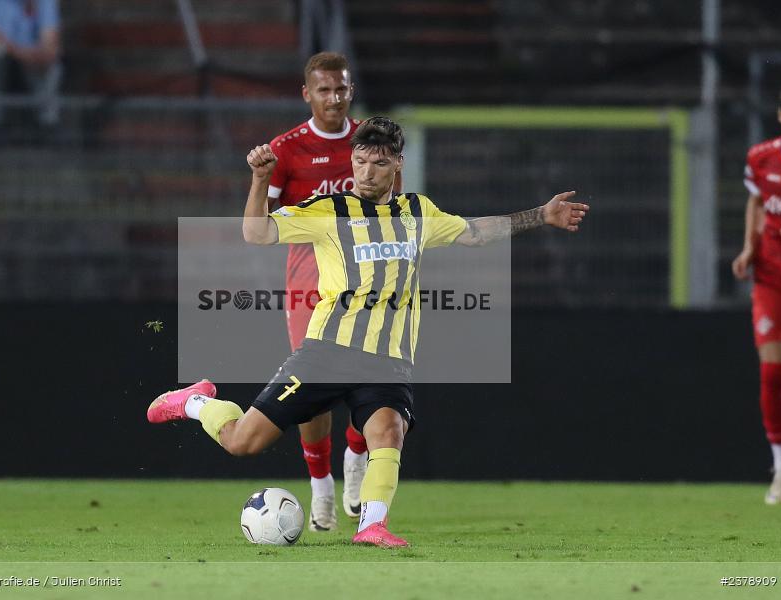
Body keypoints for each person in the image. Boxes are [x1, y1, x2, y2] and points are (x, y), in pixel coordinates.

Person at [147, 117, 588, 546]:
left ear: (397, 163)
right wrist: (261, 180)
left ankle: (372, 525)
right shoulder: (329, 210)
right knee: (243, 442)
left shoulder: (418, 212)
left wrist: (541, 214)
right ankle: (195, 402)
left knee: (388, 431)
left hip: (387, 360)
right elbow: (256, 232)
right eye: (359, 161)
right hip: (326, 353)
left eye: (378, 163)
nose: (366, 172)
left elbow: (475, 232)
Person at [265, 51, 376, 532]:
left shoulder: (372, 141)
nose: (333, 98)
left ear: (351, 91)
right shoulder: (286, 150)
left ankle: (356, 457)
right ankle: (321, 487)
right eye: (324, 90)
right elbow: (264, 222)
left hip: (368, 279)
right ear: (306, 93)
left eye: (341, 89)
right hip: (309, 282)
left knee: (373, 379)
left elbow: (394, 207)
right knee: (312, 387)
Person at [732, 81, 781, 505]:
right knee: (773, 375)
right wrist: (749, 248)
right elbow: (756, 203)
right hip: (773, 278)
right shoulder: (762, 157)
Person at [0, 0, 61, 130]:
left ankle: (47, 124)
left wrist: (44, 53)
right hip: (3, 55)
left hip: (32, 57)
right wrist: (23, 54)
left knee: (53, 66)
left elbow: (50, 40)